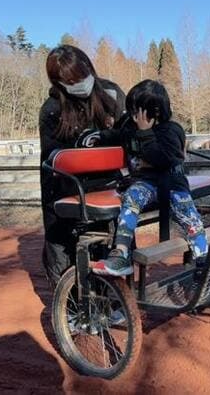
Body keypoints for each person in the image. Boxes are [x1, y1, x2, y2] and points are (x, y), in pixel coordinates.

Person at [91, 79, 208, 276]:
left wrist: (145, 133)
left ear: (150, 113)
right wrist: (101, 136)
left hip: (172, 184)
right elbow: (119, 135)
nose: (131, 115)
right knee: (131, 198)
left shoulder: (172, 130)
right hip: (146, 183)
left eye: (136, 110)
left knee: (191, 220)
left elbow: (164, 159)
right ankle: (121, 253)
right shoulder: (131, 127)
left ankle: (203, 261)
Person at [39, 45, 126, 286]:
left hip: (110, 184)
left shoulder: (110, 93)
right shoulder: (52, 110)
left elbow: (128, 130)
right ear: (60, 83)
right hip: (69, 188)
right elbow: (52, 161)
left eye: (84, 74)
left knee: (115, 241)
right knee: (63, 248)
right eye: (72, 80)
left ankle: (116, 298)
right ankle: (71, 304)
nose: (82, 83)